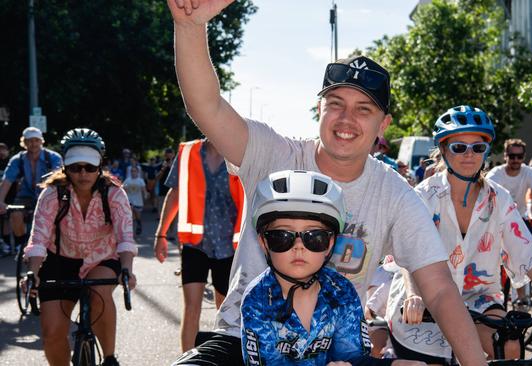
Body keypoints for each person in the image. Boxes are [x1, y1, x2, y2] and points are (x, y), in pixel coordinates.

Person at [168, 2, 486, 365]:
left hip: (332, 353)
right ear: (319, 108)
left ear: (383, 125)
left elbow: (440, 288)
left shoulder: (395, 195)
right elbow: (206, 107)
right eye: (336, 103)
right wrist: (190, 27)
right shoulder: (273, 155)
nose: (346, 118)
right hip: (245, 340)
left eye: (364, 109)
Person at [386, 106, 532, 362]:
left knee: (510, 344)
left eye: (478, 147)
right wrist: (414, 295)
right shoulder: (423, 197)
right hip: (423, 301)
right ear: (444, 151)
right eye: (459, 147)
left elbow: (526, 252)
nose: (469, 155)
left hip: (478, 298)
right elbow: (408, 256)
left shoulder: (499, 199)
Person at [242, 170, 413, 365]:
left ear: (330, 244)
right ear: (264, 243)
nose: (299, 247)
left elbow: (354, 359)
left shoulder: (342, 291)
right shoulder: (257, 299)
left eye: (315, 237)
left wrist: (391, 364)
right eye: (282, 237)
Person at [22, 128, 137, 366]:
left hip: (101, 258)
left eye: (90, 167)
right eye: (75, 167)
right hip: (60, 260)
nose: (83, 173)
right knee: (52, 333)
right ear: (65, 166)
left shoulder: (114, 193)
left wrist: (126, 269)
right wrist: (32, 272)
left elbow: (125, 237)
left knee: (99, 293)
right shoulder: (53, 194)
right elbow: (39, 239)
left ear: (100, 166)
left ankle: (109, 358)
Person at [154, 137, 245, 352]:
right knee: (191, 309)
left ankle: (221, 359)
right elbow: (175, 194)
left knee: (226, 314)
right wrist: (161, 235)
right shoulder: (188, 153)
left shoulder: (238, 153)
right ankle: (187, 362)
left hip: (230, 247)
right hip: (195, 245)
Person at [0, 127, 62, 254]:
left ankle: (52, 245)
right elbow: (7, 181)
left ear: (41, 141)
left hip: (47, 194)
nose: (33, 144)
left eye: (36, 140)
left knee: (58, 217)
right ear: (24, 142)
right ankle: (20, 244)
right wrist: (0, 201)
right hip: (25, 196)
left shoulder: (53, 157)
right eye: (29, 141)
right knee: (15, 213)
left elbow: (60, 179)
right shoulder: (17, 160)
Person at [122, 166, 147, 235]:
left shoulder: (140, 180)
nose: (133, 172)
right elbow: (123, 189)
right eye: (132, 171)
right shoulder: (127, 180)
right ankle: (130, 232)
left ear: (137, 172)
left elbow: (144, 190)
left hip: (138, 201)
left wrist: (145, 195)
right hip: (129, 201)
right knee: (131, 217)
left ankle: (139, 225)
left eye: (135, 171)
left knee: (138, 216)